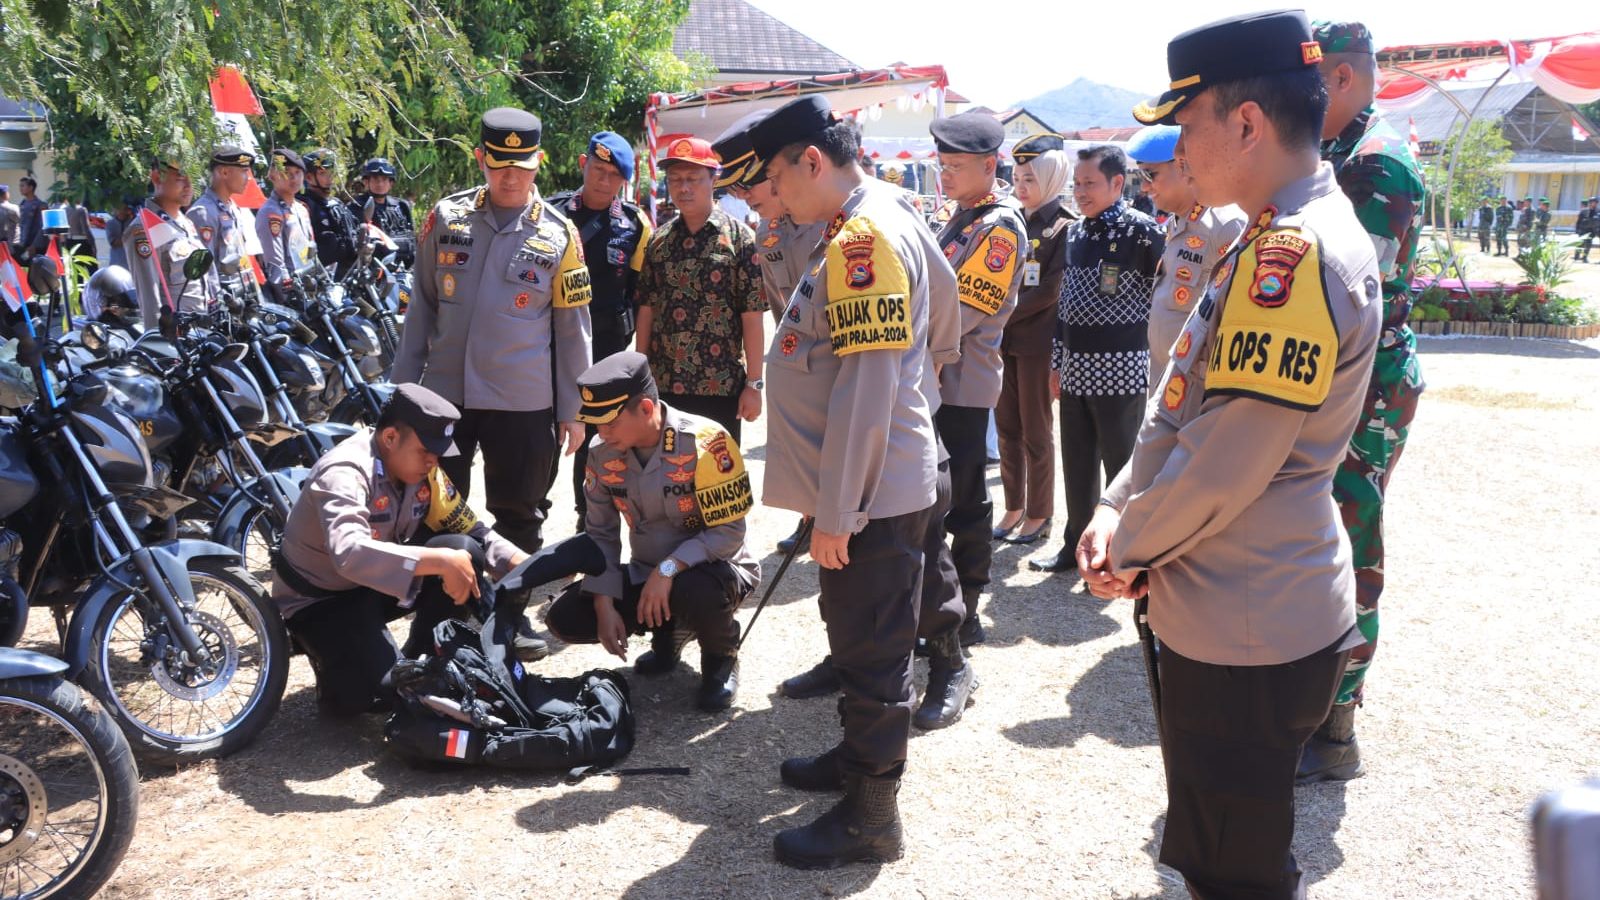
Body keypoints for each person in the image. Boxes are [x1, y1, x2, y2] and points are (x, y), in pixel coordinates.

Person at [1094, 11, 1380, 896]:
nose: (1179, 148)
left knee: (1237, 868)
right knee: (1221, 844)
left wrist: (1128, 546)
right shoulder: (1266, 229)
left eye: (1187, 124)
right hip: (1233, 603)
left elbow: (1227, 458)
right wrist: (1115, 507)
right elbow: (1178, 401)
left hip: (1250, 618)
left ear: (1247, 123)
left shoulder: (1290, 252)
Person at [750, 94, 954, 869]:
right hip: (869, 484)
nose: (776, 194)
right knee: (856, 633)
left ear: (812, 161)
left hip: (871, 495)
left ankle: (873, 816)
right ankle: (853, 762)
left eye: (777, 175)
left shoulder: (862, 238)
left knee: (873, 654)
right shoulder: (880, 214)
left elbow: (868, 386)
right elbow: (941, 323)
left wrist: (837, 510)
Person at [1310, 19, 1429, 784]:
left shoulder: (1377, 166)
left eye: (1306, 86)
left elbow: (1356, 299)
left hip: (1368, 392)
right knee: (1321, 535)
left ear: (1342, 79)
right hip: (1344, 384)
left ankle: (1336, 724)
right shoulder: (1339, 152)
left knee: (1352, 541)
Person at [392, 106, 593, 556]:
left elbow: (572, 329)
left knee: (518, 512)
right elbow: (421, 308)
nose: (509, 178)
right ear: (481, 158)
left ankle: (506, 613)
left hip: (520, 400)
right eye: (499, 166)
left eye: (520, 168)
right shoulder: (446, 217)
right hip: (445, 395)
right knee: (436, 505)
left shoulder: (561, 234)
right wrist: (402, 391)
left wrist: (574, 410)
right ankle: (445, 611)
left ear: (538, 162)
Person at [271, 384, 534, 715]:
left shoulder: (424, 471)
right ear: (391, 438)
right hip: (320, 602)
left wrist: (528, 564)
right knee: (379, 697)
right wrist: (439, 560)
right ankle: (335, 671)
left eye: (437, 453)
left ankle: (427, 658)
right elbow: (349, 553)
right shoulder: (344, 471)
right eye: (425, 451)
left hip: (371, 587)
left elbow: (474, 530)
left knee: (464, 550)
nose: (432, 461)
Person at [544, 352, 759, 711]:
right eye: (595, 424)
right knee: (566, 616)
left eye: (610, 423)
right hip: (649, 571)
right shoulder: (601, 454)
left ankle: (721, 657)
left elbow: (729, 533)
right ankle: (669, 632)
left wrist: (669, 568)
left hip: (714, 571)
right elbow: (600, 535)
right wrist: (603, 602)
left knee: (695, 588)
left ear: (646, 408)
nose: (601, 433)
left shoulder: (706, 442)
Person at [1031, 144, 1163, 574]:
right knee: (1078, 462)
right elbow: (1064, 306)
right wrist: (1056, 360)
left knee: (1122, 464)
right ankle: (1075, 545)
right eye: (1077, 184)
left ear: (1117, 183)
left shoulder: (1142, 231)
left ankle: (1122, 550)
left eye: (1090, 183)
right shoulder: (1076, 232)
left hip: (1121, 369)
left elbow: (1161, 299)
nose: (1081, 192)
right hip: (1074, 368)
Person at [926, 109, 1028, 645]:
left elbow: (965, 310)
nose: (945, 174)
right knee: (937, 494)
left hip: (962, 381)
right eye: (941, 164)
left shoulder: (999, 226)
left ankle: (967, 606)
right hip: (939, 377)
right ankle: (941, 601)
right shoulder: (960, 214)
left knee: (964, 496)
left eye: (956, 165)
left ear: (990, 165)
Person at [711, 109, 826, 555]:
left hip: (842, 359)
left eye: (749, 185)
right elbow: (781, 310)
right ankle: (810, 516)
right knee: (803, 448)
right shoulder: (767, 233)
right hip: (800, 362)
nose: (743, 196)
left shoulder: (832, 221)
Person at [548, 133, 653, 529]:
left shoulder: (635, 224)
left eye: (614, 175)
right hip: (549, 347)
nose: (604, 180)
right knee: (543, 436)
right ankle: (531, 514)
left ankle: (586, 521)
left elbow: (642, 294)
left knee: (596, 438)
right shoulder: (550, 213)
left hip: (606, 347)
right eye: (598, 169)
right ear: (582, 164)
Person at [633, 137, 765, 443]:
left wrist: (754, 385)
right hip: (664, 384)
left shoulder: (740, 239)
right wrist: (641, 375)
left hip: (719, 387)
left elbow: (752, 316)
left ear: (714, 179)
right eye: (676, 179)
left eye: (693, 179)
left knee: (716, 478)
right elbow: (647, 311)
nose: (684, 188)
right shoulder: (659, 241)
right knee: (667, 477)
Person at [996, 133, 1074, 549]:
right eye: (1017, 177)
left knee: (1036, 431)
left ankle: (1040, 513)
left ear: (1050, 178)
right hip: (1003, 342)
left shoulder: (1063, 226)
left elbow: (1050, 291)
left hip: (1036, 343)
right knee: (1006, 427)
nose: (1020, 187)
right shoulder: (1012, 220)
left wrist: (999, 310)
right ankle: (1013, 506)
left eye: (1028, 179)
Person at [1125, 124, 1247, 387]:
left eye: (1150, 175)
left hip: (1197, 386)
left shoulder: (1225, 226)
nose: (1144, 188)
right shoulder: (1177, 222)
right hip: (1164, 377)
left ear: (1183, 165)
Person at [122, 154, 212, 329]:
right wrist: (160, 343)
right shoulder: (145, 228)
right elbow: (149, 297)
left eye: (191, 178)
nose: (188, 185)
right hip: (176, 334)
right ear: (156, 177)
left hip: (200, 329)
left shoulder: (184, 221)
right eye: (180, 178)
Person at [186, 145, 259, 298]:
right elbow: (205, 269)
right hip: (224, 299)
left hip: (244, 292)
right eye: (244, 171)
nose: (249, 178)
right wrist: (217, 302)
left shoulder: (232, 207)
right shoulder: (203, 212)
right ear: (224, 172)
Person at [256, 149, 316, 302]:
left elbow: (311, 251)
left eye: (298, 172)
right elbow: (275, 264)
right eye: (287, 172)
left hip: (311, 285)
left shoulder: (301, 208)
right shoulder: (271, 212)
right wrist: (289, 297)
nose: (294, 178)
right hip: (292, 293)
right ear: (272, 175)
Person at [300, 148, 364, 279]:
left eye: (332, 172)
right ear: (309, 177)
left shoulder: (337, 204)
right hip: (325, 282)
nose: (330, 177)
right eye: (323, 173)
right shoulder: (304, 207)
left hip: (352, 276)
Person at [349, 158, 417, 268]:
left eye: (385, 179)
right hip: (371, 275)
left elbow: (412, 242)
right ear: (366, 182)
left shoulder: (402, 206)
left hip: (402, 272)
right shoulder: (356, 207)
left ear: (391, 183)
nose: (380, 183)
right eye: (375, 178)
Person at [16, 177, 44, 260]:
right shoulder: (22, 204)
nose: (20, 188)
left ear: (31, 188)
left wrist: (34, 245)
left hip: (34, 245)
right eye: (20, 186)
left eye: (22, 186)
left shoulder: (40, 205)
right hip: (22, 243)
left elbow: (42, 226)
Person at [105, 198, 135, 270]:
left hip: (132, 262)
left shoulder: (133, 223)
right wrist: (130, 238)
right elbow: (113, 243)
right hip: (116, 261)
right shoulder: (110, 224)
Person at [1576, 196, 1598, 262]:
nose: (1593, 204)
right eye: (1592, 202)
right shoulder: (1584, 211)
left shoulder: (1598, 211)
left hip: (1592, 231)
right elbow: (1579, 221)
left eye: (1595, 202)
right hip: (1583, 230)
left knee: (1588, 244)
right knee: (1580, 243)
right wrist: (1577, 230)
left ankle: (1584, 257)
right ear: (1589, 203)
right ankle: (1576, 256)